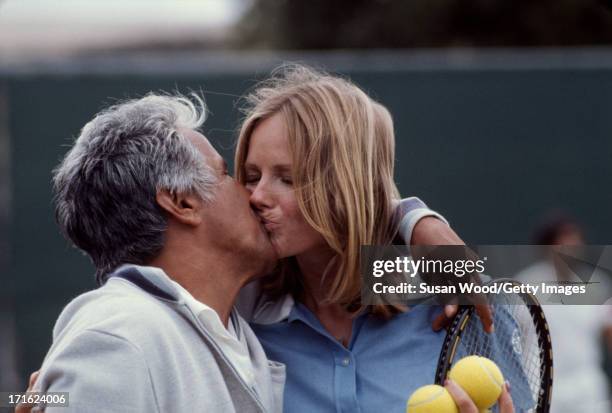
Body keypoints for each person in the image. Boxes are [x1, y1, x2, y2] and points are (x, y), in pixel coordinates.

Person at [233, 64, 512, 412]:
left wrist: (409, 216)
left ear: (345, 185)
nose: (257, 196)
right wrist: (414, 217)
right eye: (251, 175)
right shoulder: (238, 312)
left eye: (287, 179)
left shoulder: (461, 300)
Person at [19, 94, 285, 412]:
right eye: (226, 173)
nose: (253, 194)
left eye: (289, 179)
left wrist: (361, 204)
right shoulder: (118, 335)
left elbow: (362, 293)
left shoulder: (304, 300)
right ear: (182, 201)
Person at [516, 212, 612, 413]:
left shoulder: (597, 287)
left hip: (588, 390)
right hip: (542, 389)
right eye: (563, 240)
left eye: (575, 239)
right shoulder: (525, 286)